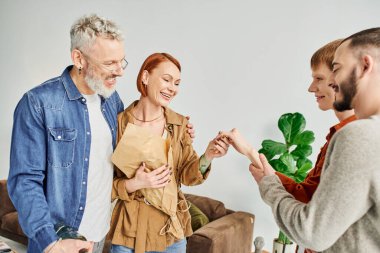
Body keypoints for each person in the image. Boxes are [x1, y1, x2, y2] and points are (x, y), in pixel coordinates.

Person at [7, 15, 195, 253]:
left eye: (121, 62)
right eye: (109, 63)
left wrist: (178, 129)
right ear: (79, 59)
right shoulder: (38, 103)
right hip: (60, 241)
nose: (119, 72)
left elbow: (132, 146)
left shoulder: (111, 101)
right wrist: (50, 242)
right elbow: (24, 181)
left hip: (99, 236)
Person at [222, 28, 380, 252]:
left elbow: (311, 231)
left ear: (365, 66)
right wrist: (252, 156)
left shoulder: (358, 135)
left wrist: (269, 186)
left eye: (336, 70)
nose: (333, 82)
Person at [109, 53, 229, 253]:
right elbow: (101, 185)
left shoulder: (179, 124)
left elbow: (186, 175)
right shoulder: (118, 124)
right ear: (145, 77)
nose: (172, 88)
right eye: (166, 80)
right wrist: (137, 183)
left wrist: (208, 155)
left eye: (177, 83)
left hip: (170, 234)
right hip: (129, 232)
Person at [276, 39, 356, 253]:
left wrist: (266, 179)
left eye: (318, 78)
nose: (311, 87)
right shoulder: (338, 134)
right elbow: (310, 193)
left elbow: (310, 208)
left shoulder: (352, 138)